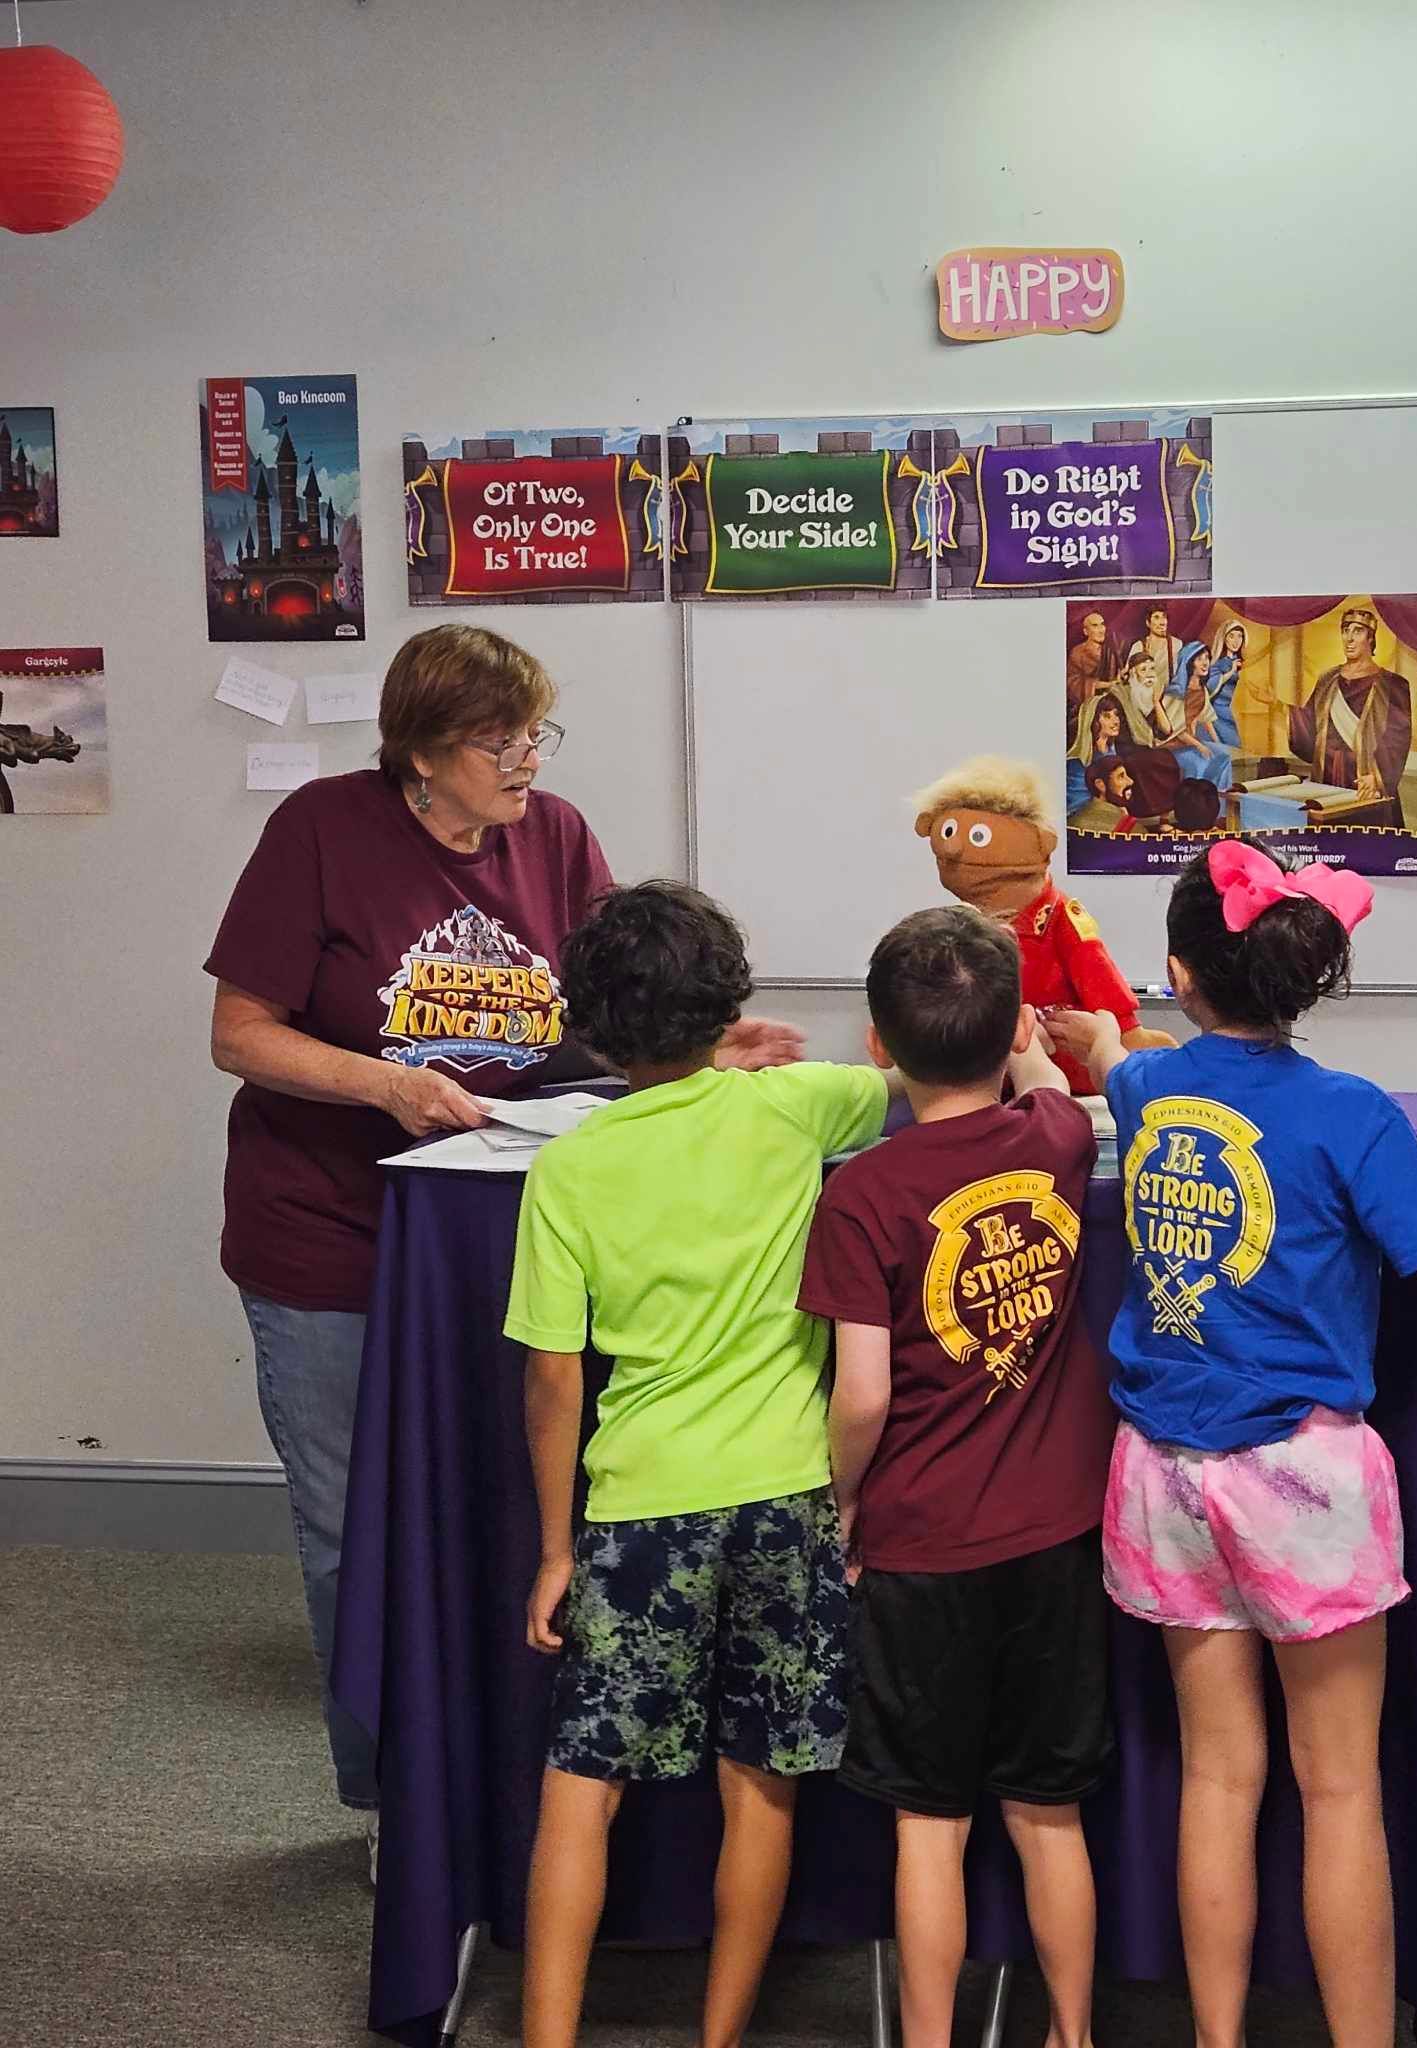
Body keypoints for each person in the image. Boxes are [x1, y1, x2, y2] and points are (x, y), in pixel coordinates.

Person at [204, 625, 796, 1854]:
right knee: (351, 1523)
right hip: (332, 1235)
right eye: (500, 739)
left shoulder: (558, 832)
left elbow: (602, 1019)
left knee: (516, 1505)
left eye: (537, 731)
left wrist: (689, 1053)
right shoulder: (321, 830)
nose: (529, 758)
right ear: (421, 752)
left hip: (510, 1232)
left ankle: (505, 1767)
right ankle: (388, 1800)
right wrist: (385, 1086)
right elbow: (241, 1033)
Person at [1045, 841, 1417, 2048]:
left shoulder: (1150, 1093)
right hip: (1304, 1479)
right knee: (1340, 1784)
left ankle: (1218, 2036)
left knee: (1219, 1775)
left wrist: (1089, 1039)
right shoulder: (1351, 1113)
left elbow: (1116, 1057)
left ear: (1175, 972)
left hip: (1161, 1470)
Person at [509, 881, 897, 2048]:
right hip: (788, 1498)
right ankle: (721, 2033)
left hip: (639, 1508)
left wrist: (552, 1550)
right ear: (729, 999)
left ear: (587, 1024)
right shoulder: (797, 1109)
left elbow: (552, 1382)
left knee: (584, 1783)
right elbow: (918, 1077)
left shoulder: (568, 1171)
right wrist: (731, 1062)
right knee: (761, 1780)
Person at [798, 906, 1115, 2048]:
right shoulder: (1059, 1141)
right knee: (1050, 1815)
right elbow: (1044, 1080)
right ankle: (1073, 2031)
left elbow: (865, 1394)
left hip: (920, 1546)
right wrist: (1033, 1042)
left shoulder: (863, 1193)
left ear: (878, 1046)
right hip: (1055, 1538)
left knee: (927, 1826)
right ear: (1012, 1027)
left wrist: (842, 1500)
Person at [1288, 606, 1413, 814]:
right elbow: (1309, 732)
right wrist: (1283, 712)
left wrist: (1378, 776)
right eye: (1346, 630)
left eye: (1358, 631)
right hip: (1326, 780)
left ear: (1371, 638)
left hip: (1365, 782)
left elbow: (1398, 738)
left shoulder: (1393, 684)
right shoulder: (1327, 679)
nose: (1349, 638)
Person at [1159, 641, 1233, 792]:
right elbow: (1175, 730)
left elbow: (1207, 720)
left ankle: (1221, 807)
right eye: (1199, 659)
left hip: (1191, 742)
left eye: (1207, 658)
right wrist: (1199, 745)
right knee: (1199, 763)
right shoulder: (1176, 692)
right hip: (1171, 745)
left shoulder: (1201, 690)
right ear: (1189, 662)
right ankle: (1194, 806)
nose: (1205, 663)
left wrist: (1218, 743)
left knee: (1224, 757)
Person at [1065, 689, 1128, 815]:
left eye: (1116, 715)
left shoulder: (1111, 751)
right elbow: (1077, 803)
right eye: (1107, 716)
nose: (1115, 721)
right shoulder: (1078, 762)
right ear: (1093, 720)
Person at [1065, 609, 1112, 739]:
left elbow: (1117, 676)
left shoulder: (1111, 651)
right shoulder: (1078, 652)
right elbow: (1072, 682)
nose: (1101, 629)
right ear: (1086, 631)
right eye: (1095, 626)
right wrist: (1103, 685)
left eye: (1102, 624)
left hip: (1110, 701)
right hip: (1085, 703)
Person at [1205, 620, 1247, 750]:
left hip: (1229, 710)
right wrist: (1231, 671)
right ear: (1224, 638)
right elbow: (1211, 686)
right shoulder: (1219, 663)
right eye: (1232, 636)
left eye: (1240, 636)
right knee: (1229, 748)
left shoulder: (1237, 661)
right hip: (1217, 713)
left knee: (1234, 749)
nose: (1236, 641)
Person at [1126, 604, 1182, 693]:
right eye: (1156, 617)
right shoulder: (1138, 646)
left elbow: (1181, 675)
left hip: (1168, 695)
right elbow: (1130, 676)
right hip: (1143, 696)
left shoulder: (1177, 644)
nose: (1162, 622)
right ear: (1148, 623)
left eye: (1164, 617)